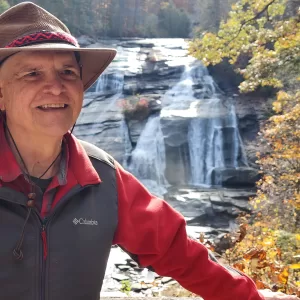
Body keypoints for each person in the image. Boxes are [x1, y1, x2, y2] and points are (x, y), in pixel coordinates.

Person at [0, 3, 298, 300]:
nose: (55, 87)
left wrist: (250, 297)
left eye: (67, 72)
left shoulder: (101, 177)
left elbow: (176, 249)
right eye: (32, 74)